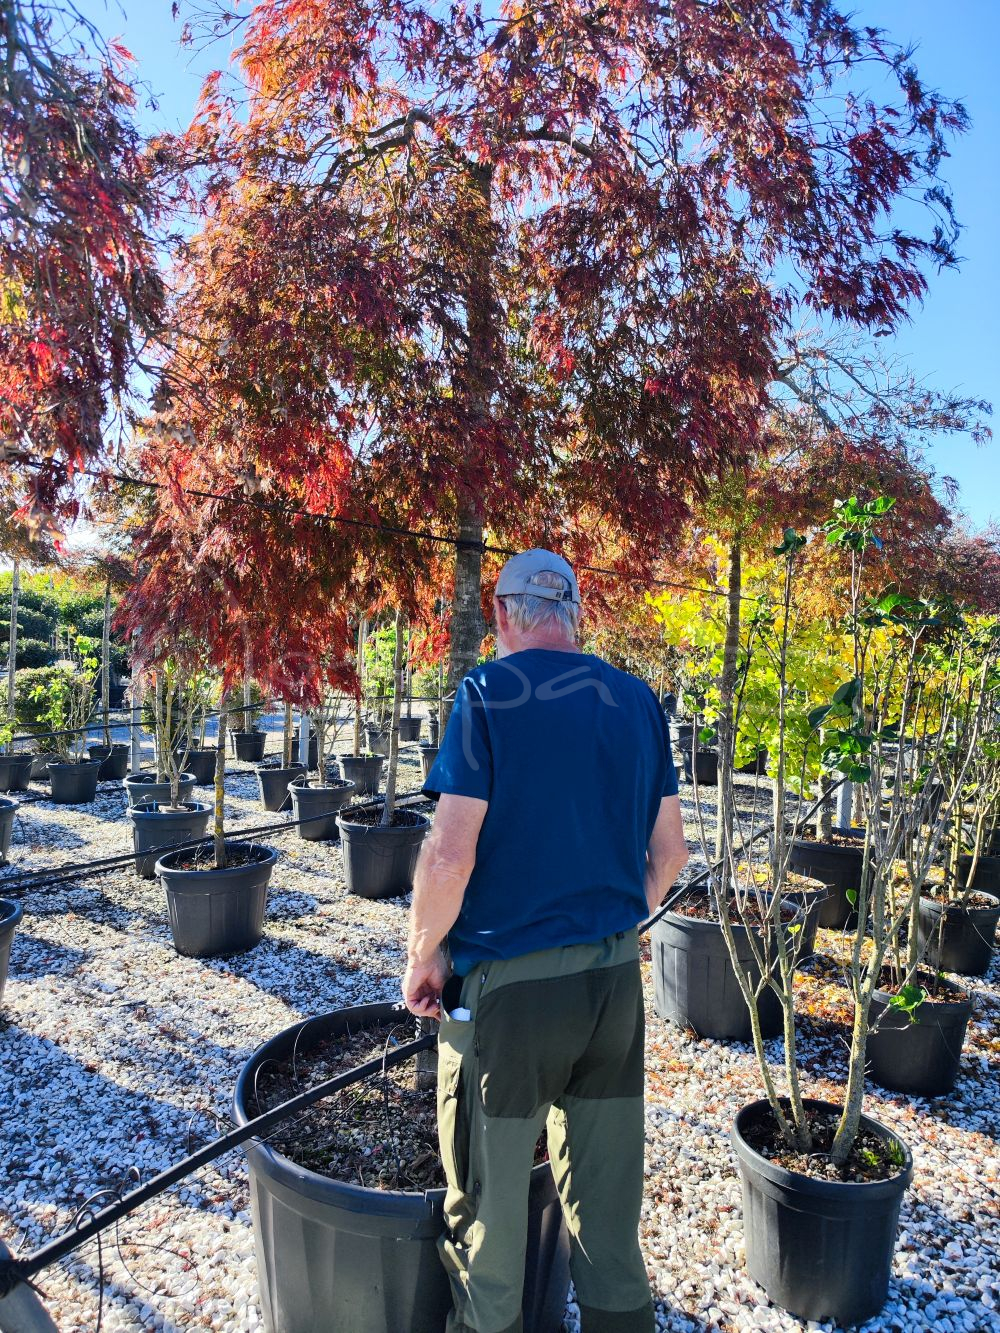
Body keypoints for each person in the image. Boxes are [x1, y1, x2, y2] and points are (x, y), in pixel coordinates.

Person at [402, 548, 689, 1333]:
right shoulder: (637, 700)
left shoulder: (487, 692)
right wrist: (613, 922)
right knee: (608, 1218)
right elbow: (671, 855)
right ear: (575, 613)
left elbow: (449, 854)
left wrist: (424, 953)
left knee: (489, 1220)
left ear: (500, 613)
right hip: (612, 990)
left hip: (511, 1000)